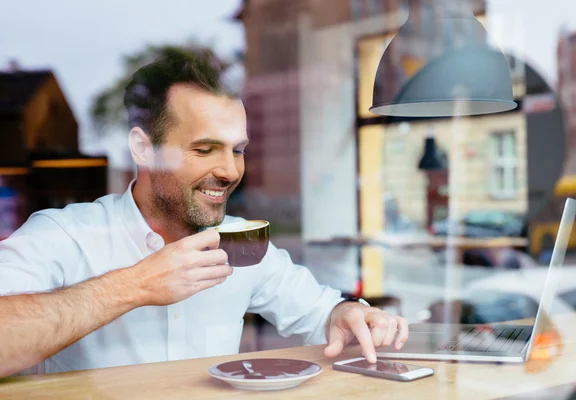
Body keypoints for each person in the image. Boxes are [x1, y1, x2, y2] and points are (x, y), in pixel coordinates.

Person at [0, 52, 408, 377]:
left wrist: (349, 314)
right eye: (204, 149)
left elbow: (323, 314)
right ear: (144, 149)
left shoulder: (243, 244)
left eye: (238, 149)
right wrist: (135, 285)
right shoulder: (64, 234)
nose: (230, 171)